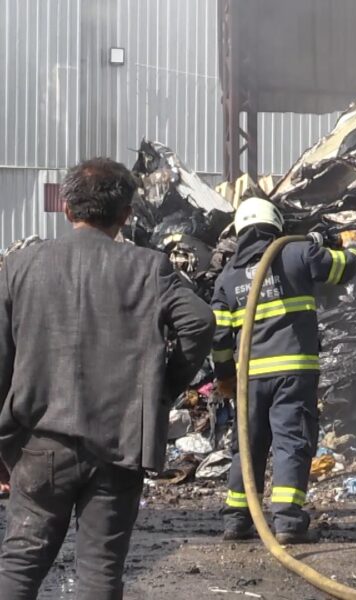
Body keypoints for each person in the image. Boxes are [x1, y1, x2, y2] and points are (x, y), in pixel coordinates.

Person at [0, 158, 215, 599]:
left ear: (66, 208)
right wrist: (160, 390)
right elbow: (199, 322)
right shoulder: (150, 268)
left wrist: (2, 443)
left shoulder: (19, 266)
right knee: (100, 573)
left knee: (19, 566)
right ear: (126, 215)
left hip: (40, 444)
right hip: (118, 445)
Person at [212, 198, 356, 544]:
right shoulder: (296, 252)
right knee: (291, 442)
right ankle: (288, 522)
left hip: (248, 379)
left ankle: (237, 520)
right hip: (293, 373)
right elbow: (341, 269)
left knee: (246, 445)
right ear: (276, 223)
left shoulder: (228, 276)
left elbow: (218, 336)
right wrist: (352, 245)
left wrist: (224, 376)